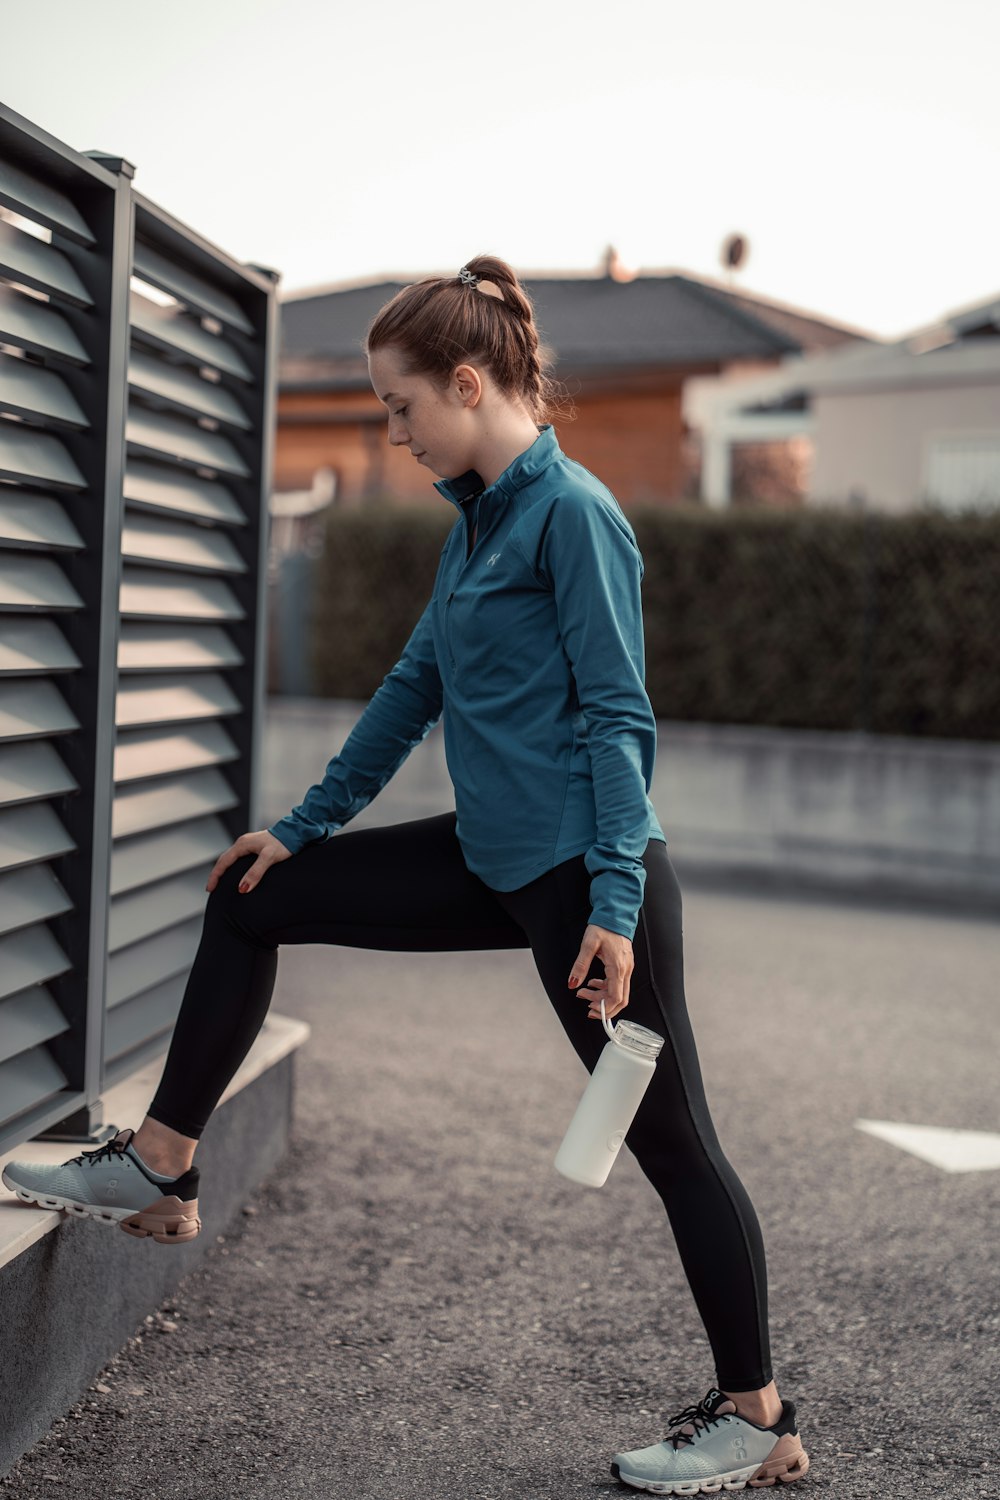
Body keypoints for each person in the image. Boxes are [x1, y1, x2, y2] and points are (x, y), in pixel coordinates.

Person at [3, 256, 809, 1494]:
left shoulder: (574, 514)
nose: (391, 434)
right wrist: (302, 826)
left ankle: (757, 1418)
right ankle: (160, 1167)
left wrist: (612, 909)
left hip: (587, 880)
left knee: (674, 1147)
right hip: (489, 859)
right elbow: (411, 691)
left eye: (398, 407)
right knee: (251, 893)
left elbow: (617, 720)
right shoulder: (479, 523)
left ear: (469, 381)